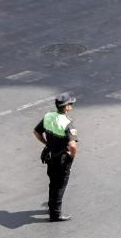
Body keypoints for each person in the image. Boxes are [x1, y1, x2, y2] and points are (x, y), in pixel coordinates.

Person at [33, 92, 79, 222]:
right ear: (66, 107)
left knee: (53, 182)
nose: (72, 105)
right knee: (60, 185)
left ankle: (51, 205)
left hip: (50, 156)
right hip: (62, 159)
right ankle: (55, 214)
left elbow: (36, 131)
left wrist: (47, 144)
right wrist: (71, 156)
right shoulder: (67, 123)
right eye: (70, 103)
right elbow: (73, 146)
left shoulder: (48, 116)